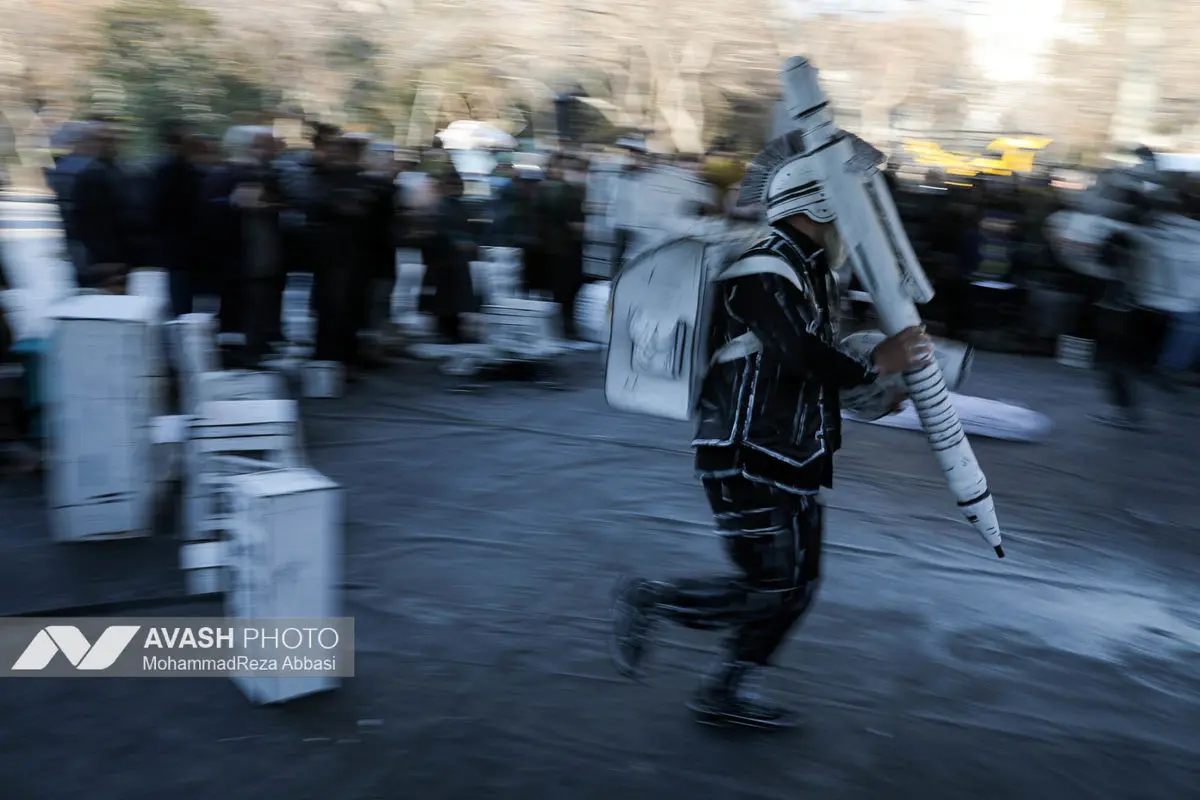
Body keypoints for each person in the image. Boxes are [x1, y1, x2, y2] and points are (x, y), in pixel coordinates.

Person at [609, 131, 933, 730]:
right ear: (819, 204)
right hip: (745, 450)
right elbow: (797, 352)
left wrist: (871, 393)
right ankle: (652, 599)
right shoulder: (762, 263)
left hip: (793, 453)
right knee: (770, 587)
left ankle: (726, 689)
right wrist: (875, 365)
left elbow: (809, 363)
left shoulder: (809, 271)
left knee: (798, 586)